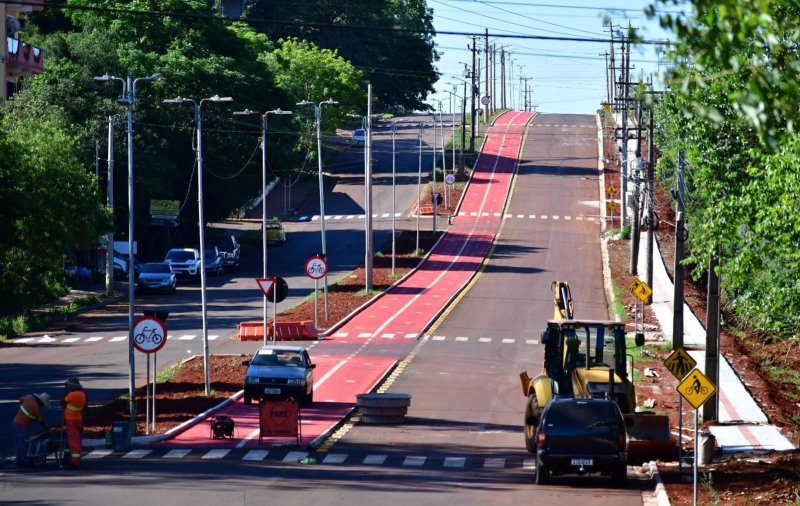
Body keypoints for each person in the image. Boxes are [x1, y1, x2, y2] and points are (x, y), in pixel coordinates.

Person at [12, 392, 50, 468]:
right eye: (42, 404)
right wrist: (47, 429)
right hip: (22, 424)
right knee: (24, 443)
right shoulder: (36, 407)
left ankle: (19, 460)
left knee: (18, 442)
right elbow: (40, 420)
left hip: (16, 422)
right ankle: (26, 461)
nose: (42, 406)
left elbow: (21, 399)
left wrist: (27, 408)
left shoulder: (28, 397)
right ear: (40, 401)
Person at [62, 378, 87, 469]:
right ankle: (67, 457)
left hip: (71, 420)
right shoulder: (82, 394)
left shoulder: (72, 395)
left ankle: (75, 461)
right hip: (78, 419)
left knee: (73, 441)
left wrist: (65, 391)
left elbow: (63, 401)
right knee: (72, 439)